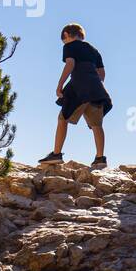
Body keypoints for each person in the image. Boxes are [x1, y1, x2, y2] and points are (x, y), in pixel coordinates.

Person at [38, 23, 113, 169]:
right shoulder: (93, 50)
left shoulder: (69, 47)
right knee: (97, 125)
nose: (64, 43)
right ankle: (100, 158)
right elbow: (102, 74)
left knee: (62, 118)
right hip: (97, 90)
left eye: (63, 40)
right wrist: (92, 83)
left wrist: (60, 85)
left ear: (66, 34)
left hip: (78, 88)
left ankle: (57, 154)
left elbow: (70, 64)